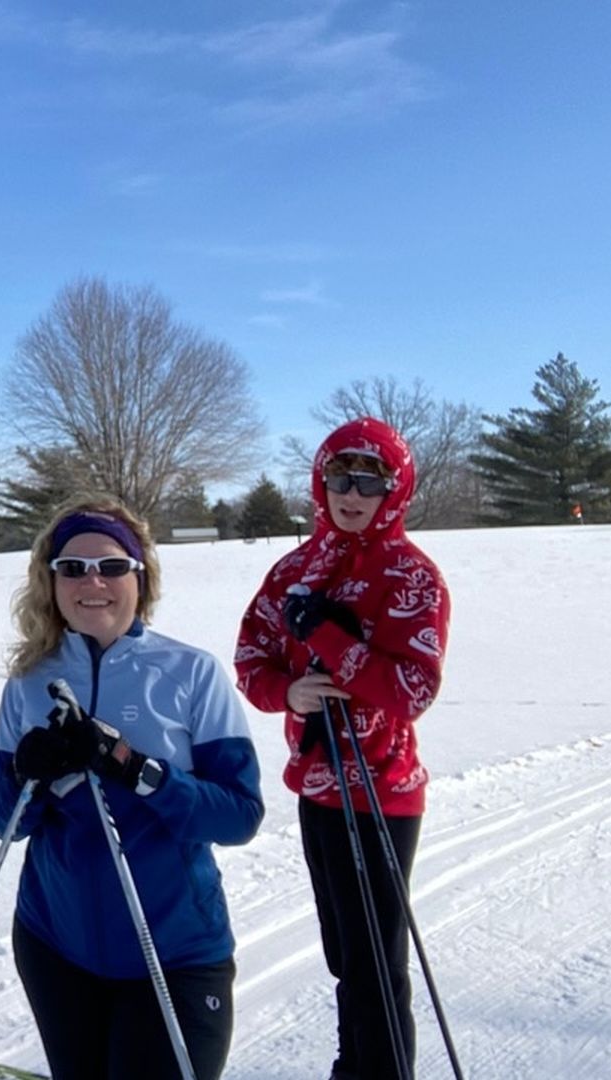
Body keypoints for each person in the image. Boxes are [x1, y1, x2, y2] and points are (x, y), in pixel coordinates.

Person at [0, 495, 265, 1080]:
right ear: (50, 581)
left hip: (175, 951)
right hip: (56, 948)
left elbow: (238, 815)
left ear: (140, 577)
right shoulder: (32, 678)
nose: (93, 582)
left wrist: (135, 768)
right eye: (72, 568)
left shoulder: (191, 673)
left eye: (111, 566)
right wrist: (31, 776)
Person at [234, 417, 451, 1080]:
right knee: (343, 953)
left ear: (396, 490)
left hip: (383, 790)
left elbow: (410, 689)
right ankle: (352, 1065)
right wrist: (289, 693)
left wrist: (329, 638)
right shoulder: (296, 569)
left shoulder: (412, 575)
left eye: (370, 481)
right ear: (320, 480)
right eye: (339, 477)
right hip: (316, 785)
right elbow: (250, 659)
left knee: (376, 961)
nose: (352, 494)